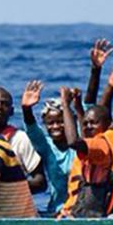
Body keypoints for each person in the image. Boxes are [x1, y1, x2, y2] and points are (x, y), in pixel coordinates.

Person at [56, 88, 113, 217]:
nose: (87, 127)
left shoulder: (102, 144)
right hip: (109, 205)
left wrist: (65, 105)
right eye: (85, 124)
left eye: (93, 123)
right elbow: (85, 138)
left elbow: (73, 142)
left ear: (109, 125)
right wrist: (78, 108)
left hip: (94, 211)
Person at [20, 81, 77, 215]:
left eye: (60, 121)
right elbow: (32, 130)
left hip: (81, 209)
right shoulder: (46, 146)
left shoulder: (79, 143)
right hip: (57, 210)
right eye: (51, 123)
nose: (56, 126)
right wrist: (26, 109)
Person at [0, 86, 45, 193]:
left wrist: (10, 187)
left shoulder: (21, 139)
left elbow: (41, 182)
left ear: (11, 111)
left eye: (4, 104)